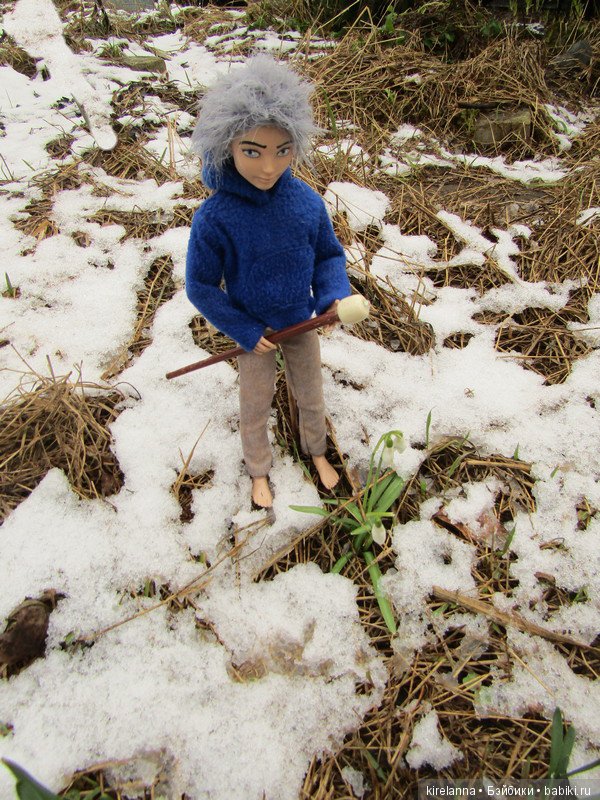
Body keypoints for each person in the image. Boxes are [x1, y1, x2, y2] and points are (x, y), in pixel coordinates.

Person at [186, 54, 351, 508]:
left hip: (301, 322)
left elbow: (328, 256)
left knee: (311, 393)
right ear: (227, 147)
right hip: (254, 333)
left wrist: (334, 296)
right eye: (252, 151)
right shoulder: (215, 217)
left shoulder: (306, 203)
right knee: (254, 405)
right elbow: (200, 286)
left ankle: (316, 451)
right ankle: (258, 469)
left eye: (283, 151)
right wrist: (243, 329)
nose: (267, 167)